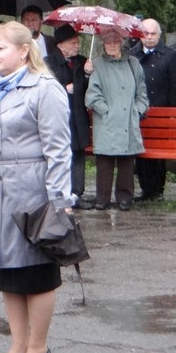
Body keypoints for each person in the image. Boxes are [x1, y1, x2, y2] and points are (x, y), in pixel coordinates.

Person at [0, 21, 73, 353]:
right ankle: (17, 345)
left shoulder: (45, 89)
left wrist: (60, 200)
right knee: (5, 273)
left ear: (23, 50)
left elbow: (59, 149)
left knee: (36, 272)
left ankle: (38, 348)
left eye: (0, 48)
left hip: (33, 190)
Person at [85, 27, 149, 211]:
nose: (112, 44)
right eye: (108, 41)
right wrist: (106, 111)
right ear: (103, 44)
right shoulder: (97, 64)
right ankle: (102, 198)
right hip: (106, 120)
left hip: (128, 120)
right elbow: (92, 96)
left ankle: (125, 198)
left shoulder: (133, 64)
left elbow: (142, 93)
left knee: (127, 160)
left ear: (121, 42)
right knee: (104, 161)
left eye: (115, 41)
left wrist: (136, 110)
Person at [128, 18, 175, 201]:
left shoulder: (170, 55)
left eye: (153, 34)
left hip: (163, 109)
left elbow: (173, 84)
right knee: (141, 153)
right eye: (145, 34)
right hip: (140, 112)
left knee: (158, 156)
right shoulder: (132, 55)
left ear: (159, 35)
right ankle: (146, 190)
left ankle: (158, 190)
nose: (149, 37)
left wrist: (172, 112)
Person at [45, 24, 91, 207]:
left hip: (78, 114)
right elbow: (47, 88)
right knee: (61, 154)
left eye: (78, 42)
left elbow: (89, 90)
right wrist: (64, 90)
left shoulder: (82, 62)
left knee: (78, 154)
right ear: (61, 45)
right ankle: (60, 192)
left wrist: (87, 75)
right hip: (59, 117)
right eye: (73, 43)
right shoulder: (48, 62)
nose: (77, 46)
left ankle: (77, 194)